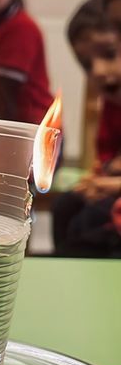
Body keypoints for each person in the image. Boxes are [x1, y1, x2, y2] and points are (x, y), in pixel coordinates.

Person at [53, 14, 121, 257]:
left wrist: (108, 185)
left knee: (88, 224)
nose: (99, 71)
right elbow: (106, 157)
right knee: (65, 205)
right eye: (87, 64)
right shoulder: (112, 106)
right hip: (112, 190)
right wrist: (98, 181)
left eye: (110, 54)